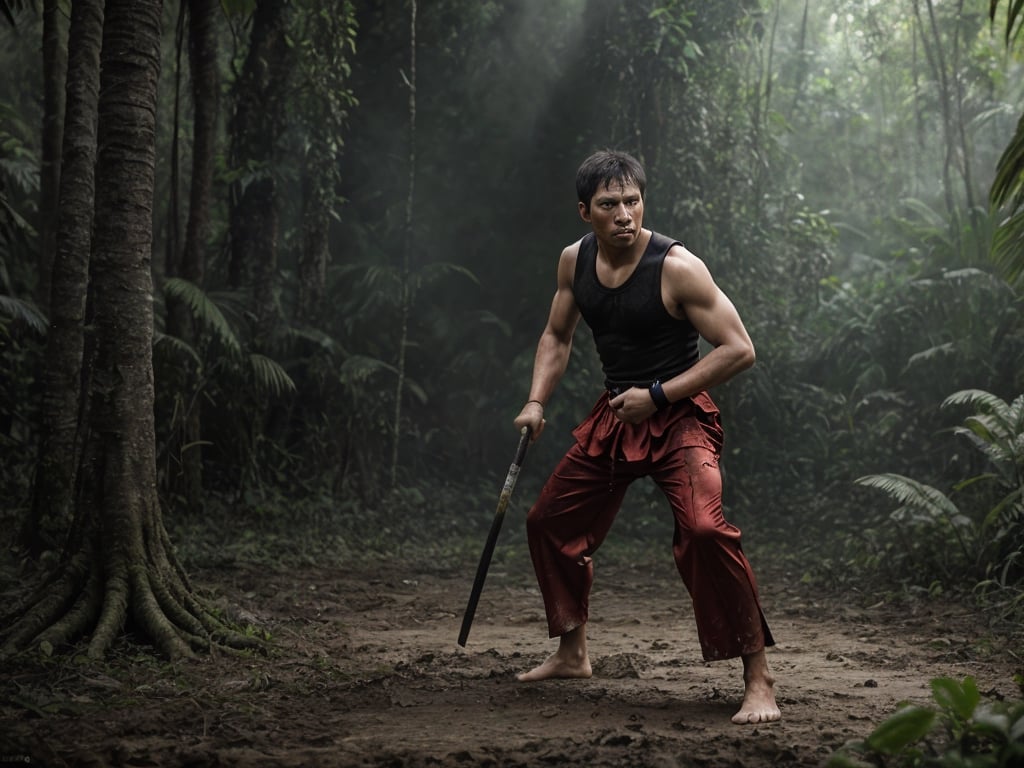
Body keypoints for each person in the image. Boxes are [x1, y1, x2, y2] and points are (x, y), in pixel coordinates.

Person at [512, 149, 780, 725]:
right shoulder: (574, 262)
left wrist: (658, 395)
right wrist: (536, 401)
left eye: (632, 201)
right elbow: (557, 337)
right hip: (616, 415)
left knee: (706, 530)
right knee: (549, 521)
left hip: (677, 417)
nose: (624, 215)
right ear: (586, 211)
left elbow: (740, 349)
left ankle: (759, 679)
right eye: (609, 205)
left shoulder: (677, 267)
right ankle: (572, 653)